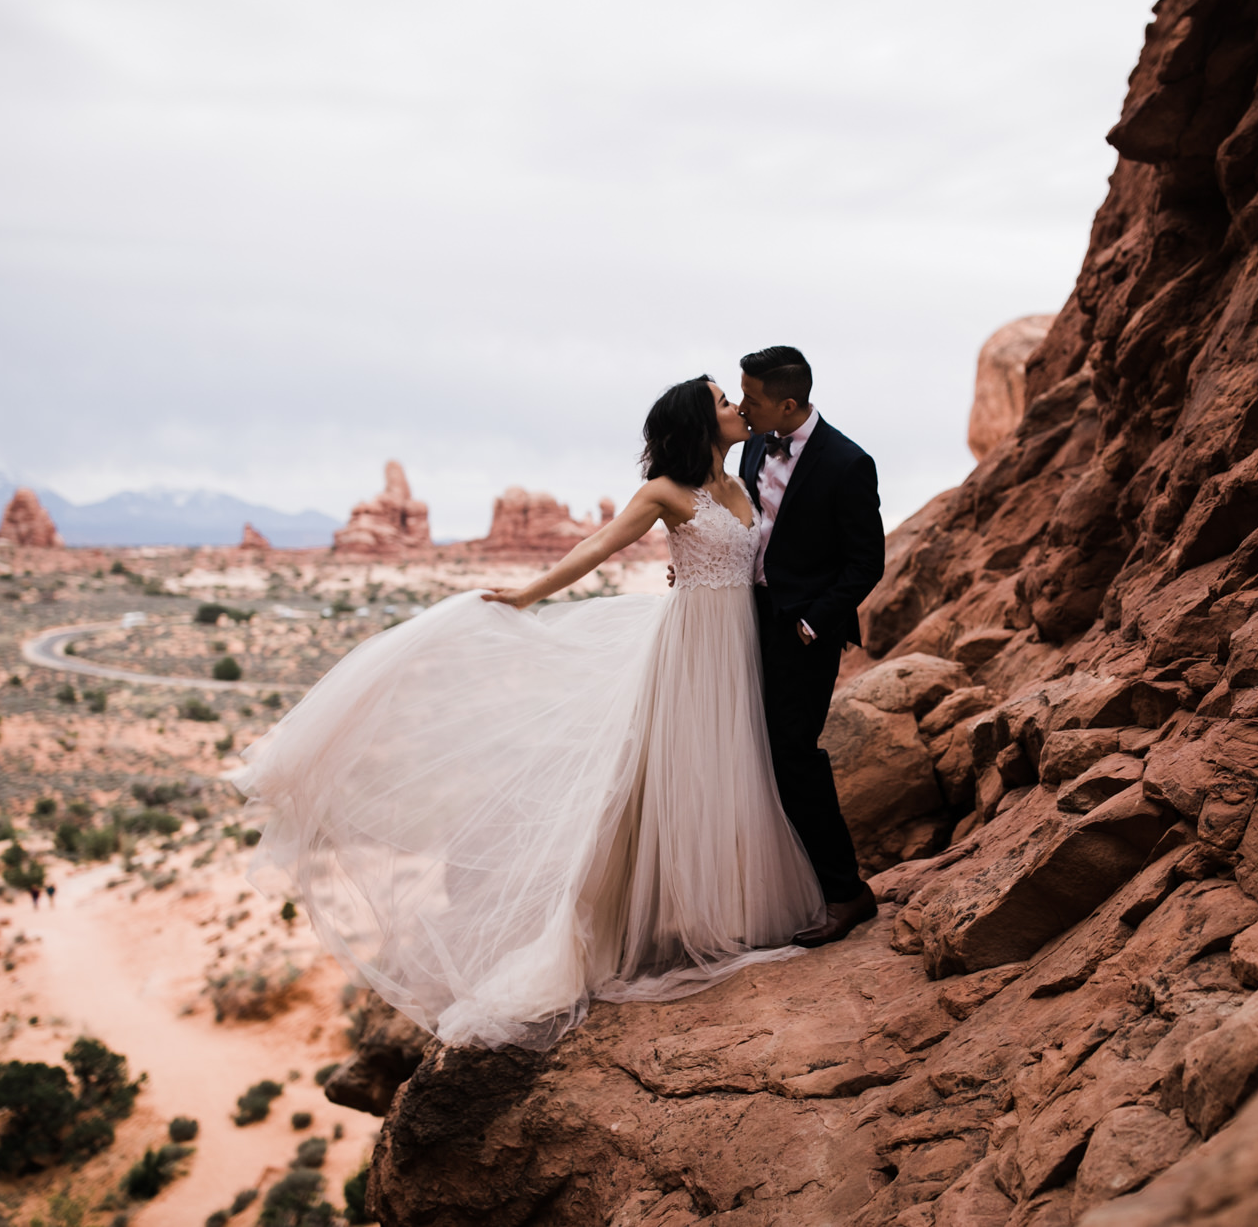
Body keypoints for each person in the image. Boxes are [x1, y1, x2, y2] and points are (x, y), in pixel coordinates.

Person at [233, 377, 825, 1050]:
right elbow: (596, 547)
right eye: (722, 401)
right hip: (691, 651)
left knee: (733, 774)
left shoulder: (744, 482)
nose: (736, 408)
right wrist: (525, 595)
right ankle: (677, 926)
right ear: (699, 420)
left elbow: (760, 563)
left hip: (737, 647)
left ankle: (726, 913)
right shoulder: (664, 491)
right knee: (674, 779)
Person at [736, 346, 886, 945]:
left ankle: (847, 893)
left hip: (803, 632)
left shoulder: (848, 463)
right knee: (751, 750)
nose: (743, 407)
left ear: (788, 403)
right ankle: (783, 888)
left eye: (751, 398)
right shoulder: (752, 444)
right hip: (744, 620)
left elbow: (865, 563)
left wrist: (811, 623)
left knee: (793, 753)